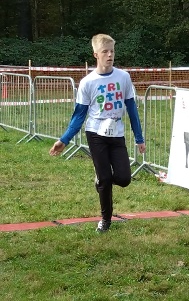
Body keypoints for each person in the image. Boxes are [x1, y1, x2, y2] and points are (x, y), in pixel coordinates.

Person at [49, 34, 146, 233]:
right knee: (105, 179)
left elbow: (131, 108)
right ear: (96, 54)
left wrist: (139, 138)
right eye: (105, 52)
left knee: (124, 178)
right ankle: (106, 219)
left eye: (112, 51)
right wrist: (64, 140)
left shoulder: (123, 77)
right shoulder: (87, 82)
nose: (110, 55)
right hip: (95, 134)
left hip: (116, 133)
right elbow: (79, 115)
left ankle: (101, 180)